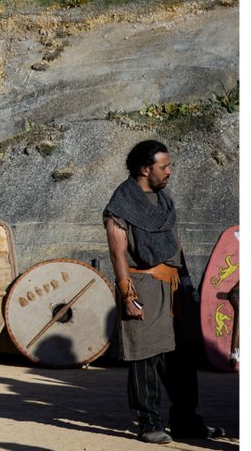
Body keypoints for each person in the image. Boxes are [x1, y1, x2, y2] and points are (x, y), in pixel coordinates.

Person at [104, 140, 224, 445]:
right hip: (142, 285)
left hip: (174, 286)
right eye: (164, 166)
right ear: (145, 169)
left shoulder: (164, 201)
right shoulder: (121, 204)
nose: (169, 172)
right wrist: (127, 296)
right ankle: (148, 423)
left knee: (182, 355)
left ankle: (186, 421)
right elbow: (118, 254)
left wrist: (187, 284)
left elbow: (176, 246)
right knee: (144, 355)